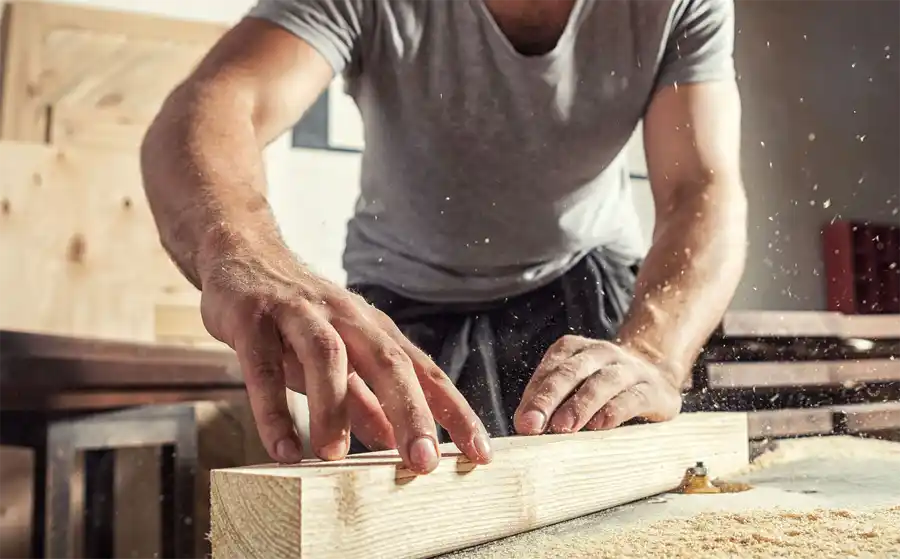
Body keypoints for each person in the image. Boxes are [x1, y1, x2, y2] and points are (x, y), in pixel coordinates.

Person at [141, 0, 747, 476]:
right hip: (402, 309)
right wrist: (243, 252)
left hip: (584, 292)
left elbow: (700, 186)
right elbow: (215, 105)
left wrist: (656, 355)